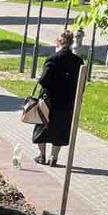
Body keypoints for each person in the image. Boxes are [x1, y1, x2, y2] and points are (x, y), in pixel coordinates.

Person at [32, 30, 83, 167]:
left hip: (49, 101)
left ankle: (42, 156)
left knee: (42, 126)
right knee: (60, 129)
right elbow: (81, 82)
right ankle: (53, 158)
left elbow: (44, 80)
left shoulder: (53, 59)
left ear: (58, 43)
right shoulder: (78, 61)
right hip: (67, 102)